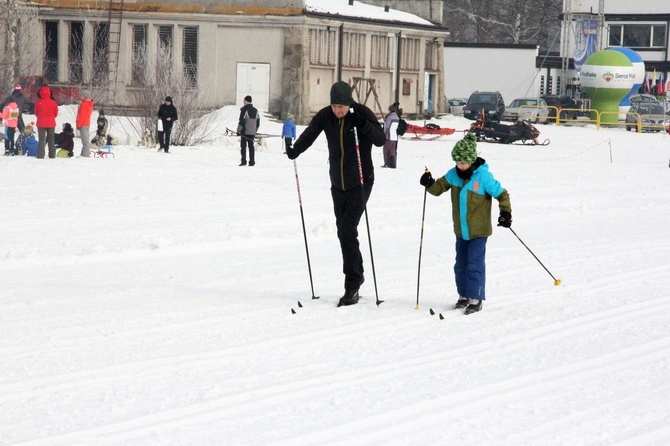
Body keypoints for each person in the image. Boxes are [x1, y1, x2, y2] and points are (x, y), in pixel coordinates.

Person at [286, 81, 386, 306]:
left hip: (361, 181)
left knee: (347, 229)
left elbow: (380, 140)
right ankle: (357, 276)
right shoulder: (326, 116)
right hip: (337, 184)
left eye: (341, 106)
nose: (338, 111)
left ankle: (352, 284)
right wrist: (295, 150)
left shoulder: (361, 113)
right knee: (344, 232)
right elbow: (310, 134)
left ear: (349, 103)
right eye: (334, 106)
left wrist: (363, 125)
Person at [419, 132, 512, 315]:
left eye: (462, 162)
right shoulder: (453, 174)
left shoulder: (483, 177)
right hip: (461, 230)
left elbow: (502, 194)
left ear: (471, 160)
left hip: (479, 231)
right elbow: (438, 189)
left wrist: (505, 213)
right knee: (460, 264)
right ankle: (463, 295)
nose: (459, 166)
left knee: (475, 263)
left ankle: (475, 298)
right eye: (456, 162)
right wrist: (429, 184)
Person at [33, 85, 59, 159]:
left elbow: (36, 113)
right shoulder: (53, 102)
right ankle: (52, 155)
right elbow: (55, 113)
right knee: (51, 139)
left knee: (41, 140)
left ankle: (41, 155)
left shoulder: (38, 102)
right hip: (51, 123)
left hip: (41, 123)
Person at [237, 95, 260, 166]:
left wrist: (238, 130)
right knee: (251, 146)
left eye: (244, 100)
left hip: (244, 131)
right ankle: (252, 161)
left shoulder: (244, 110)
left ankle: (243, 161)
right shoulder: (255, 110)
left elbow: (241, 121)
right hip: (252, 132)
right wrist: (255, 130)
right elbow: (258, 122)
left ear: (247, 101)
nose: (243, 101)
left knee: (243, 146)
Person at [382, 102, 400, 168]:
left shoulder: (389, 117)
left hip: (388, 136)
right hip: (394, 136)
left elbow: (387, 127)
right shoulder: (397, 117)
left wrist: (384, 134)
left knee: (386, 151)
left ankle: (386, 164)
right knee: (392, 151)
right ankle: (393, 164)